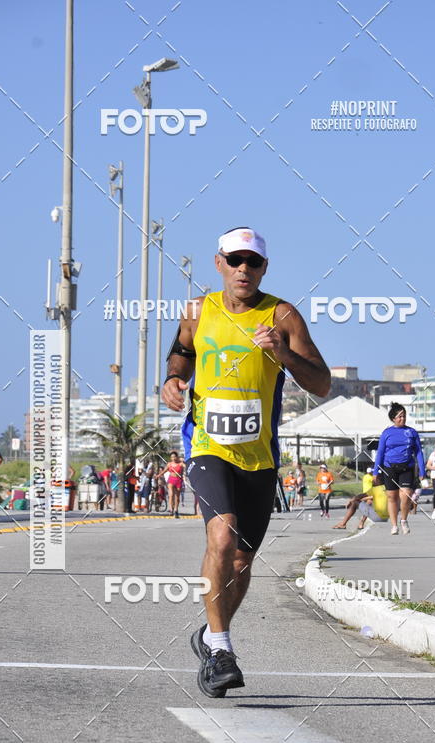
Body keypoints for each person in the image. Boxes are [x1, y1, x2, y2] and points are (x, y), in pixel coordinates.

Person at [162, 226, 330, 697]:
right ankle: (220, 650)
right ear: (219, 263)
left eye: (252, 262)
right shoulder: (199, 310)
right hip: (207, 447)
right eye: (234, 260)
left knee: (240, 560)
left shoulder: (283, 315)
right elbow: (181, 352)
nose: (243, 269)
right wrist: (172, 380)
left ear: (264, 268)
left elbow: (322, 383)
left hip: (258, 457)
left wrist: (283, 354)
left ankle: (211, 636)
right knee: (221, 533)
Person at [373, 403, 427, 536]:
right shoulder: (387, 433)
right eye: (399, 417)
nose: (402, 419)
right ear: (393, 419)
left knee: (406, 495)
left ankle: (403, 520)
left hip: (406, 467)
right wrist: (375, 472)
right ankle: (394, 525)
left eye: (404, 416)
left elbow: (419, 452)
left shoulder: (412, 432)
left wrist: (422, 471)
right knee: (392, 497)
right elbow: (380, 453)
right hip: (389, 467)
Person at [158, 451, 184, 518]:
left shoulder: (180, 464)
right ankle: (170, 509)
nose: (173, 458)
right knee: (171, 494)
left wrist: (183, 460)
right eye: (172, 457)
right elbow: (165, 470)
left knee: (177, 497)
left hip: (178, 480)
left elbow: (186, 466)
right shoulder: (169, 464)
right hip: (171, 479)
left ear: (177, 457)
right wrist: (159, 475)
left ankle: (176, 510)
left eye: (174, 457)